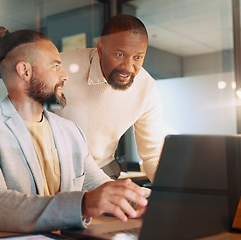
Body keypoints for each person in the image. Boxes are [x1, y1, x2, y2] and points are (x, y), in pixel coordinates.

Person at [0, 23, 149, 233]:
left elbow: (101, 186)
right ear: (25, 71)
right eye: (55, 66)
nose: (64, 75)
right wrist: (83, 204)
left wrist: (146, 200)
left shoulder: (71, 131)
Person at [55, 14, 165, 181]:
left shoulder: (147, 87)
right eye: (120, 55)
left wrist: (174, 193)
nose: (128, 67)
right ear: (100, 49)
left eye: (137, 57)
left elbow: (153, 153)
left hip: (101, 169)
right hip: (53, 169)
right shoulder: (61, 67)